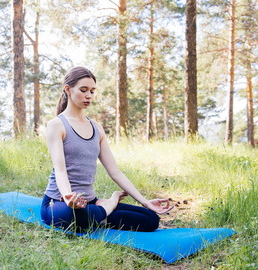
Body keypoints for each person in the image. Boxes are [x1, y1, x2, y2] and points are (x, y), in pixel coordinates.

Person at [41, 66, 173, 232]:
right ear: (68, 90)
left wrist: (145, 201)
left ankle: (98, 215)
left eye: (92, 91)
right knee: (71, 216)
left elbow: (115, 172)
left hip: (89, 203)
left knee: (151, 219)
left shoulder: (97, 127)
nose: (89, 95)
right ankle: (109, 204)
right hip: (59, 202)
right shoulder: (57, 125)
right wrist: (68, 197)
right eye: (83, 90)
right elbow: (60, 170)